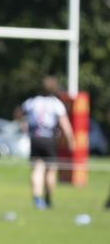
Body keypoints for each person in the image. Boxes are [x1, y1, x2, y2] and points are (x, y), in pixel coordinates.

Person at [15, 76, 75, 209]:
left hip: (35, 138)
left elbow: (18, 113)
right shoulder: (56, 103)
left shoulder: (32, 102)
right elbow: (64, 124)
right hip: (49, 139)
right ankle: (48, 199)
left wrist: (22, 124)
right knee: (51, 170)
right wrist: (71, 140)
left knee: (36, 169)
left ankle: (37, 199)